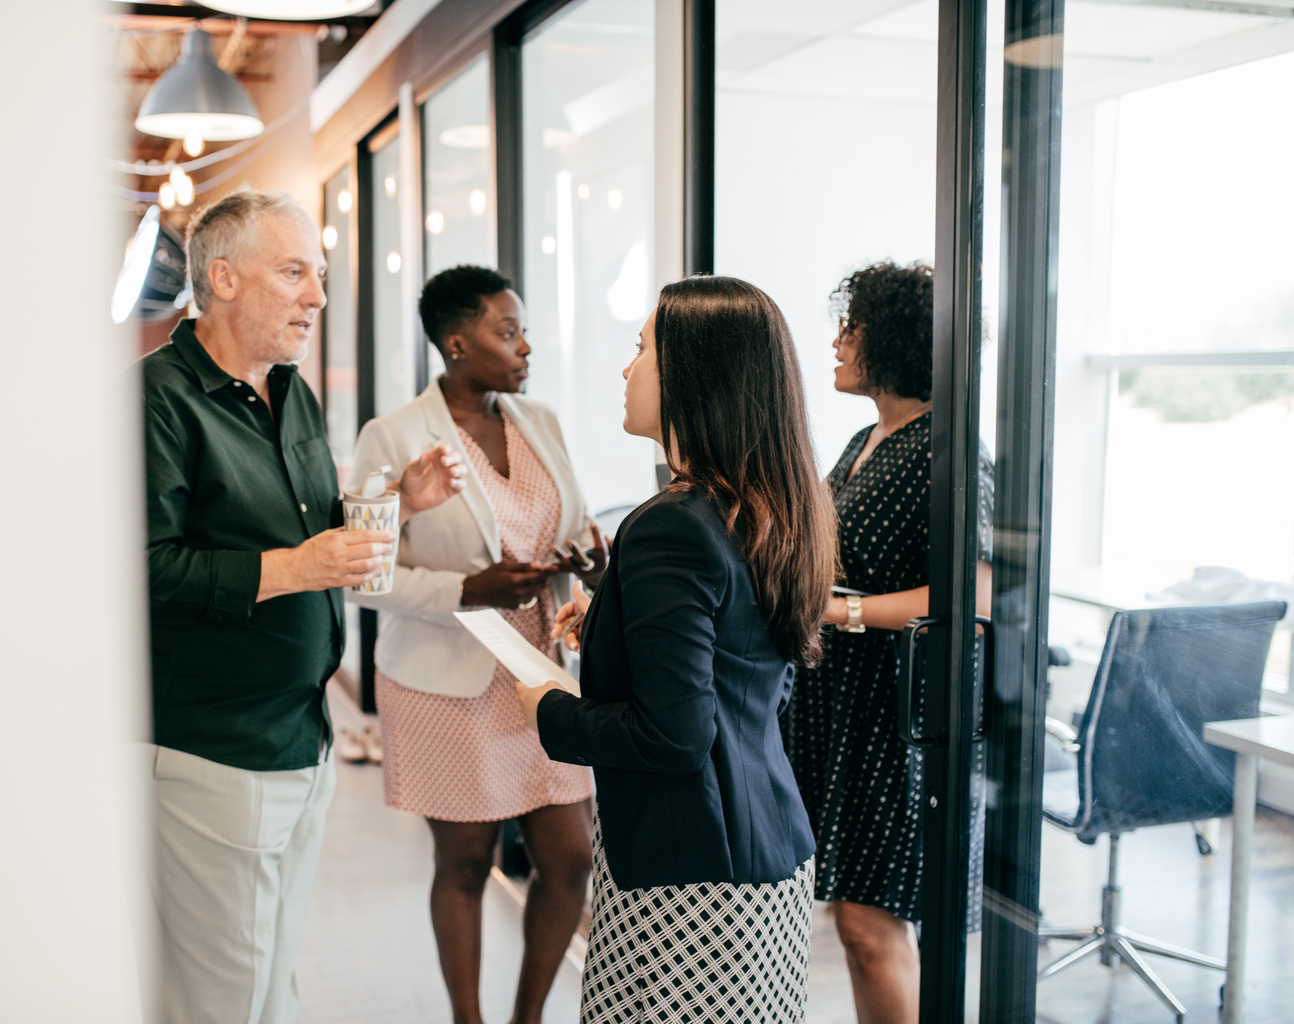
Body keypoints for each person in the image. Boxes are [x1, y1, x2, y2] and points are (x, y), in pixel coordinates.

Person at [141, 189, 465, 1024]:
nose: (318, 296)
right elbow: (143, 571)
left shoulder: (292, 390)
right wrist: (292, 568)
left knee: (274, 982)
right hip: (215, 748)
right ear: (224, 280)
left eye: (317, 275)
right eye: (294, 273)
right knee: (222, 999)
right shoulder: (155, 400)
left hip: (302, 736)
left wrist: (398, 501)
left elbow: (308, 523)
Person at [516, 275, 836, 1024]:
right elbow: (745, 668)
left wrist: (549, 707)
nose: (627, 369)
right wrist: (612, 626)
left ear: (695, 373)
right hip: (770, 855)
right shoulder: (770, 503)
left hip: (688, 879)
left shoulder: (672, 523)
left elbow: (673, 734)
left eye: (641, 349)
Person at [350, 264, 605, 1024]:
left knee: (570, 856)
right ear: (456, 343)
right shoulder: (390, 437)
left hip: (540, 673)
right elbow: (361, 575)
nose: (525, 345)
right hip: (443, 683)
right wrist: (469, 590)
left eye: (522, 328)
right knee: (464, 863)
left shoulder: (541, 421)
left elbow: (574, 525)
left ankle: (526, 1016)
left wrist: (585, 561)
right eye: (507, 331)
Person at [779, 260, 993, 1024]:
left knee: (873, 924)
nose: (836, 342)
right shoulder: (869, 436)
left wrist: (842, 614)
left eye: (852, 328)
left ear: (897, 342)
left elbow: (969, 599)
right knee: (856, 919)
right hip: (847, 709)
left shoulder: (949, 450)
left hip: (898, 721)